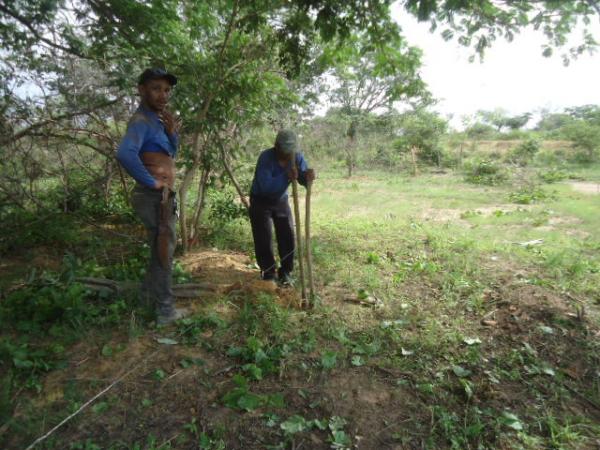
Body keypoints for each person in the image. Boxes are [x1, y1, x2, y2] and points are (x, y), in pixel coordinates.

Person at [116, 68, 188, 326]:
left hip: (162, 197)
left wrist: (171, 133)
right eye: (156, 88)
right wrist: (152, 182)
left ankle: (147, 295)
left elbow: (170, 153)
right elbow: (125, 154)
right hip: (153, 197)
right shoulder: (141, 122)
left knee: (160, 249)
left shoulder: (156, 121)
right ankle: (165, 310)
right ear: (142, 89)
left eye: (167, 90)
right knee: (163, 251)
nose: (163, 95)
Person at [249, 129, 316, 285]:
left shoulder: (296, 157)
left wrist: (307, 177)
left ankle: (286, 272)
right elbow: (265, 185)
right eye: (284, 152)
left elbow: (302, 177)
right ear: (276, 146)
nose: (287, 156)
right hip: (260, 200)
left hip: (280, 200)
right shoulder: (266, 158)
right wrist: (286, 176)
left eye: (290, 152)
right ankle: (268, 273)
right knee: (263, 237)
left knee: (287, 235)